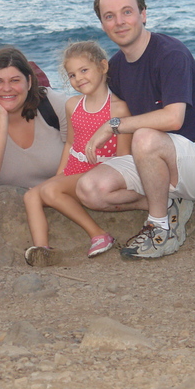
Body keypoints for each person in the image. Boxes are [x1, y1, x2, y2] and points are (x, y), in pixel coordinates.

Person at [76, 0, 195, 259]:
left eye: (127, 12)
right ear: (103, 24)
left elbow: (173, 119)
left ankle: (159, 228)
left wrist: (112, 126)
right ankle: (170, 205)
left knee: (144, 137)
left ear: (143, 14)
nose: (119, 21)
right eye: (110, 16)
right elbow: (117, 112)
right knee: (89, 190)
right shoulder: (117, 66)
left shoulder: (171, 54)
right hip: (154, 159)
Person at [22, 41, 132, 266]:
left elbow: (123, 155)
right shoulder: (73, 105)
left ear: (103, 66)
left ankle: (98, 234)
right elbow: (70, 143)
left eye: (84, 70)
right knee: (31, 195)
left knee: (51, 191)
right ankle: (42, 249)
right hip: (74, 170)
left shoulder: (118, 108)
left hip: (99, 174)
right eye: (72, 75)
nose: (78, 78)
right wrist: (60, 173)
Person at [0, 46, 67, 188]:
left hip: (60, 197)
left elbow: (85, 156)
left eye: (15, 80)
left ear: (28, 82)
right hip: (8, 206)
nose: (7, 88)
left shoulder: (53, 104)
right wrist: (1, 118)